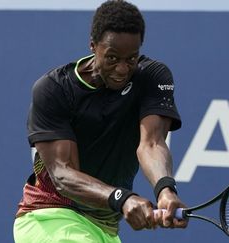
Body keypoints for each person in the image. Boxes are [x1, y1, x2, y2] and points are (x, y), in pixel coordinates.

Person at [13, 0, 187, 242]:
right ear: (93, 46)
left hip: (105, 230)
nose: (123, 69)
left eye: (131, 58)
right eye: (112, 58)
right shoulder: (54, 89)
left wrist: (165, 190)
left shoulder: (153, 77)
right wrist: (122, 198)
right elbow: (63, 175)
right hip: (51, 218)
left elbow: (152, 143)